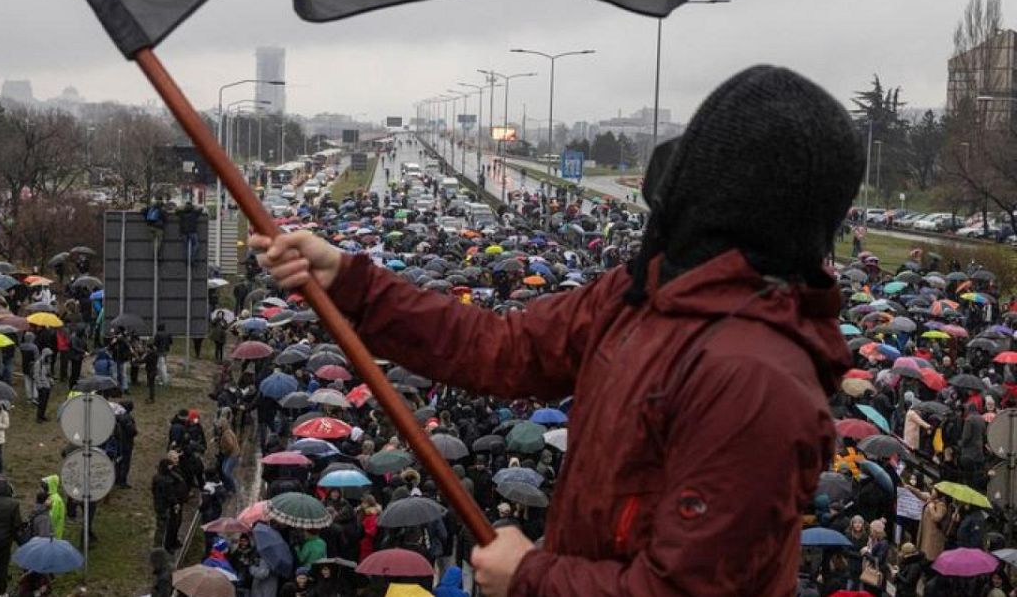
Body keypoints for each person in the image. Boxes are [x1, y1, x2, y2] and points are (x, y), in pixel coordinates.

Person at [251, 66, 866, 596]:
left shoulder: (755, 381)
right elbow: (501, 347)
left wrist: (532, 578)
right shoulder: (642, 294)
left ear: (716, 196)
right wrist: (351, 280)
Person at [152, 454, 188, 553]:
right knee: (164, 527)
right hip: (165, 506)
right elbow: (169, 495)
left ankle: (159, 546)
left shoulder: (157, 477)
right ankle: (160, 548)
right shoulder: (166, 481)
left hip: (159, 504)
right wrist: (175, 502)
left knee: (162, 527)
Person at [42, 474, 66, 539]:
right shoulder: (51, 497)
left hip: (53, 533)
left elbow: (53, 517)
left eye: (45, 485)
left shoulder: (55, 499)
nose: (43, 487)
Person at [34, 347, 54, 422]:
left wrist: (51, 381)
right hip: (42, 386)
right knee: (41, 402)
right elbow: (36, 375)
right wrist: (39, 385)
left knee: (45, 402)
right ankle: (38, 417)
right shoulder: (38, 363)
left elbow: (48, 374)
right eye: (49, 356)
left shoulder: (47, 363)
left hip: (47, 385)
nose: (50, 357)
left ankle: (42, 415)